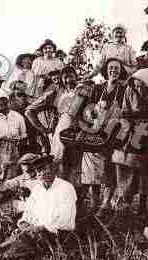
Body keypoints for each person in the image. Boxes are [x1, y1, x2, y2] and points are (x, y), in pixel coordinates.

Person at [26, 65, 92, 208]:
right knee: (60, 165)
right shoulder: (56, 94)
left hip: (80, 133)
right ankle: (57, 204)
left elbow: (92, 113)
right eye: (65, 77)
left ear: (76, 76)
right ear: (61, 80)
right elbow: (30, 111)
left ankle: (76, 205)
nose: (69, 80)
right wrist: (44, 130)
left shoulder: (84, 91)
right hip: (61, 132)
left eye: (71, 76)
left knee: (79, 168)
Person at [0, 155, 78, 260]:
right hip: (36, 232)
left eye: (45, 169)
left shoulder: (66, 188)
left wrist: (41, 227)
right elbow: (29, 211)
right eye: (38, 171)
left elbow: (66, 219)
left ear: (53, 169)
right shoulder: (38, 189)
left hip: (57, 234)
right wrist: (24, 222)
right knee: (18, 234)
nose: (42, 173)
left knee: (24, 239)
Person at [114, 67, 148, 216]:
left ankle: (146, 202)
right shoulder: (130, 90)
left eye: (141, 83)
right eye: (136, 83)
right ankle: (125, 200)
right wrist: (127, 126)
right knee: (131, 162)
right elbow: (124, 113)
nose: (138, 86)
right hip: (136, 129)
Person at [81, 58, 127, 214]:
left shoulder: (124, 89)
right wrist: (92, 114)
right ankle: (94, 201)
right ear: (106, 70)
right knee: (91, 168)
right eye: (111, 68)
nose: (114, 71)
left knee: (109, 167)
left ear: (121, 71)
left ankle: (106, 203)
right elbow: (87, 109)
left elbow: (126, 111)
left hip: (113, 132)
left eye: (117, 68)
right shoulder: (97, 88)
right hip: (95, 130)